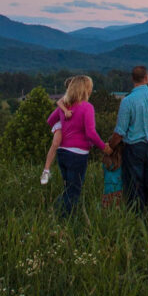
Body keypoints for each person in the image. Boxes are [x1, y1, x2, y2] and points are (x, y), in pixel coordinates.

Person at [45, 75, 110, 217]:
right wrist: (103, 146)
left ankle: (56, 212)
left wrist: (62, 129)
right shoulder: (87, 107)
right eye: (90, 88)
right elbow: (91, 133)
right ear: (85, 89)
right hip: (77, 154)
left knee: (68, 187)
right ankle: (64, 219)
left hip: (62, 152)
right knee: (74, 191)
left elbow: (50, 121)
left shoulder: (65, 107)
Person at [112, 65, 148, 210]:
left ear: (132, 79)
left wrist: (110, 146)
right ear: (147, 78)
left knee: (133, 185)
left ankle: (137, 217)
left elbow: (120, 131)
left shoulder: (128, 101)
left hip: (134, 148)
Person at [40, 87, 76, 185]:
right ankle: (46, 170)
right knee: (56, 143)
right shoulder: (68, 97)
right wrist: (65, 111)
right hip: (61, 121)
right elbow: (59, 102)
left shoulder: (82, 98)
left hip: (71, 124)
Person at [101, 144, 124, 208]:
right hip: (119, 192)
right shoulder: (122, 162)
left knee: (106, 213)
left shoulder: (105, 162)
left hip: (107, 192)